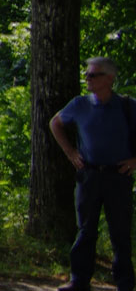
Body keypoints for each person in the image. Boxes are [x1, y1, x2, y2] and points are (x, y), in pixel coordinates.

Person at [52, 57, 136, 291]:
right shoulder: (79, 104)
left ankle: (125, 284)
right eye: (87, 74)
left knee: (120, 231)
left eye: (93, 75)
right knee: (86, 230)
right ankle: (79, 281)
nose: (87, 78)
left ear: (109, 79)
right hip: (89, 175)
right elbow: (55, 123)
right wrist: (70, 153)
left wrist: (134, 161)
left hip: (118, 176)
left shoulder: (127, 106)